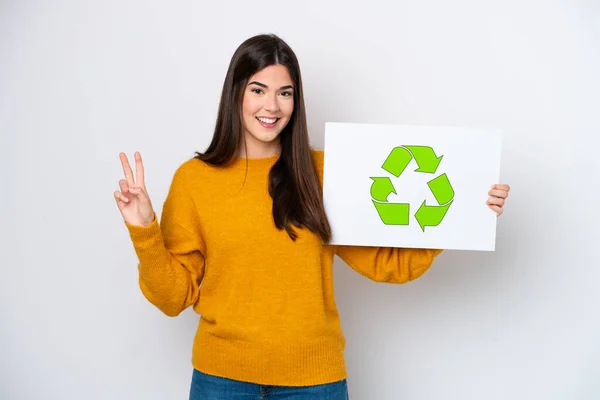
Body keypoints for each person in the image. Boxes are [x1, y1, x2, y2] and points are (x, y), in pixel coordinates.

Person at [114, 34, 511, 400]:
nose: (272, 106)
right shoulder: (194, 180)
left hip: (313, 385)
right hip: (221, 381)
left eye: (285, 93)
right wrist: (143, 229)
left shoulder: (322, 173)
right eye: (258, 90)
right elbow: (173, 297)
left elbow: (389, 263)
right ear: (235, 93)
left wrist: (462, 211)